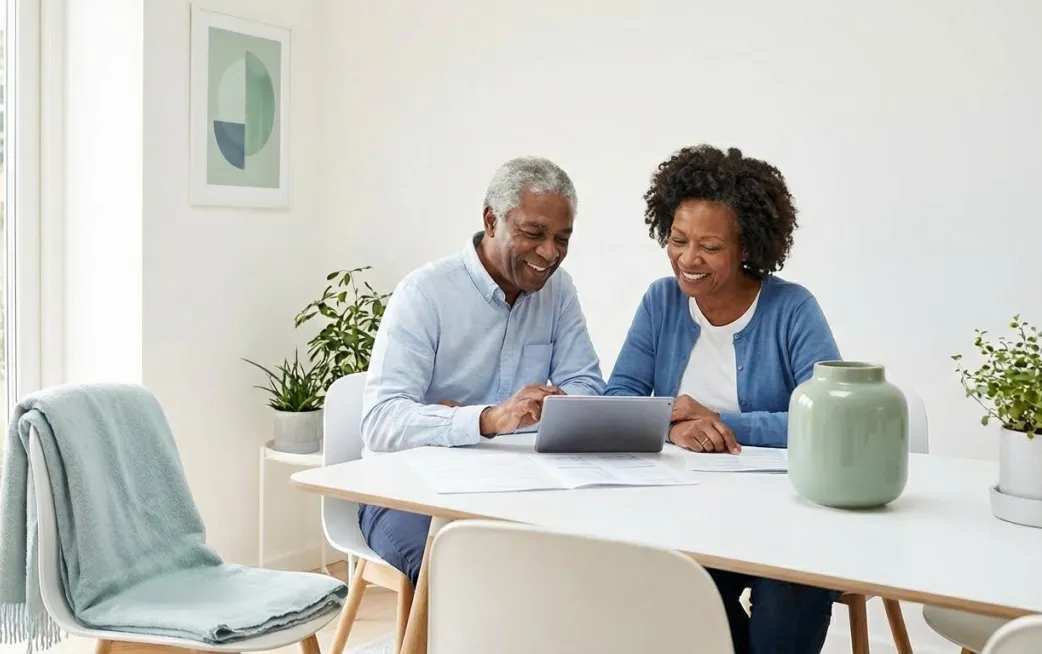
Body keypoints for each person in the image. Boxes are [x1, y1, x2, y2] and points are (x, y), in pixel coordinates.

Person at [606, 144, 842, 654]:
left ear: (745, 248)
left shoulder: (792, 309)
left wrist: (722, 423)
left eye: (710, 247)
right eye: (677, 239)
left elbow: (827, 419)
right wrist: (672, 427)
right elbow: (619, 399)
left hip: (786, 514)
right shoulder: (660, 302)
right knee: (662, 587)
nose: (688, 259)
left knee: (790, 593)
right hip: (687, 514)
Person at [358, 155, 606, 585]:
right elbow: (381, 422)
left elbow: (587, 387)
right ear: (492, 220)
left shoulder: (559, 291)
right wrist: (488, 418)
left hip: (519, 485)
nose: (550, 253)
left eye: (562, 238)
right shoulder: (425, 293)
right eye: (534, 234)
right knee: (465, 574)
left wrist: (551, 405)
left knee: (597, 559)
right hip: (407, 491)